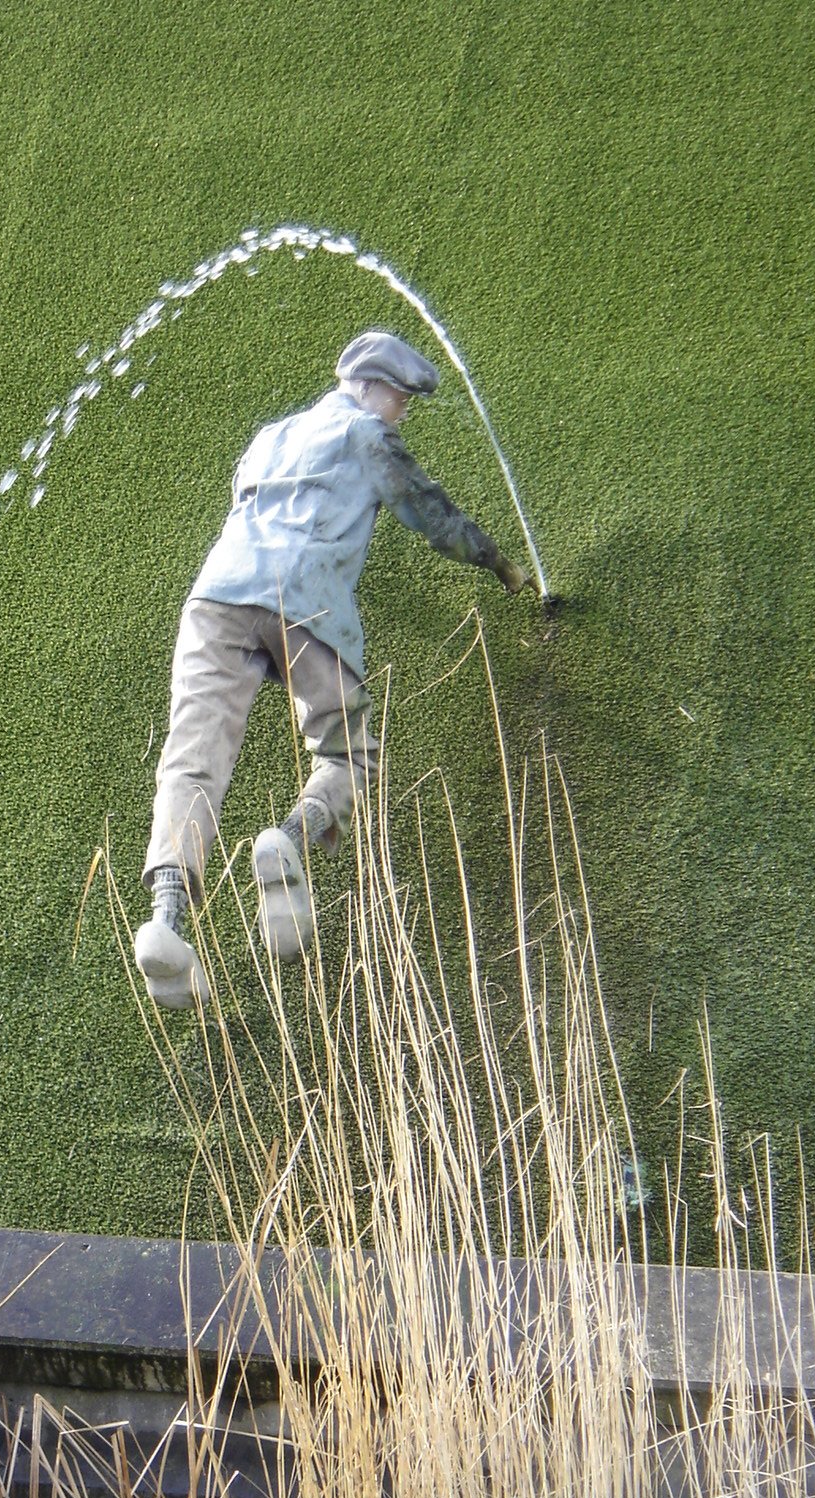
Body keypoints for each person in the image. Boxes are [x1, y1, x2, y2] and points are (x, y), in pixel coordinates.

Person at [135, 329, 535, 1008]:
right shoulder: (365, 436)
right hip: (303, 601)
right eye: (401, 399)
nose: (403, 411)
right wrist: (497, 563)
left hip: (215, 599)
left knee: (192, 760)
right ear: (375, 388)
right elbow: (427, 510)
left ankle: (167, 919)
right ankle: (289, 838)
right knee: (350, 753)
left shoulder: (271, 434)